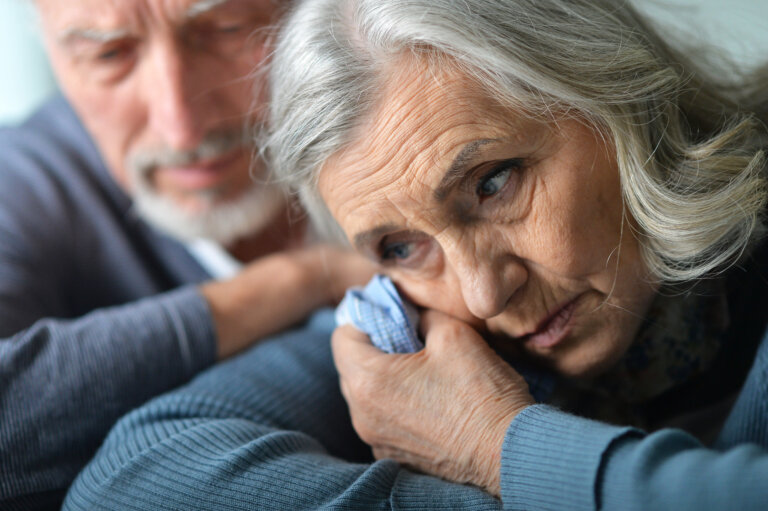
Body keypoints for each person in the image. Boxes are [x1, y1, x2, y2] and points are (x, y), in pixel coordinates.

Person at [64, 0, 768, 509]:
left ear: (617, 95)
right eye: (401, 246)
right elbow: (124, 484)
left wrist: (498, 448)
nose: (484, 293)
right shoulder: (416, 328)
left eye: (494, 183)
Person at [0, 0, 374, 509]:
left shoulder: (397, 105)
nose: (181, 126)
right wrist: (303, 278)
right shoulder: (23, 181)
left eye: (225, 29)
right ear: (51, 48)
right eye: (109, 54)